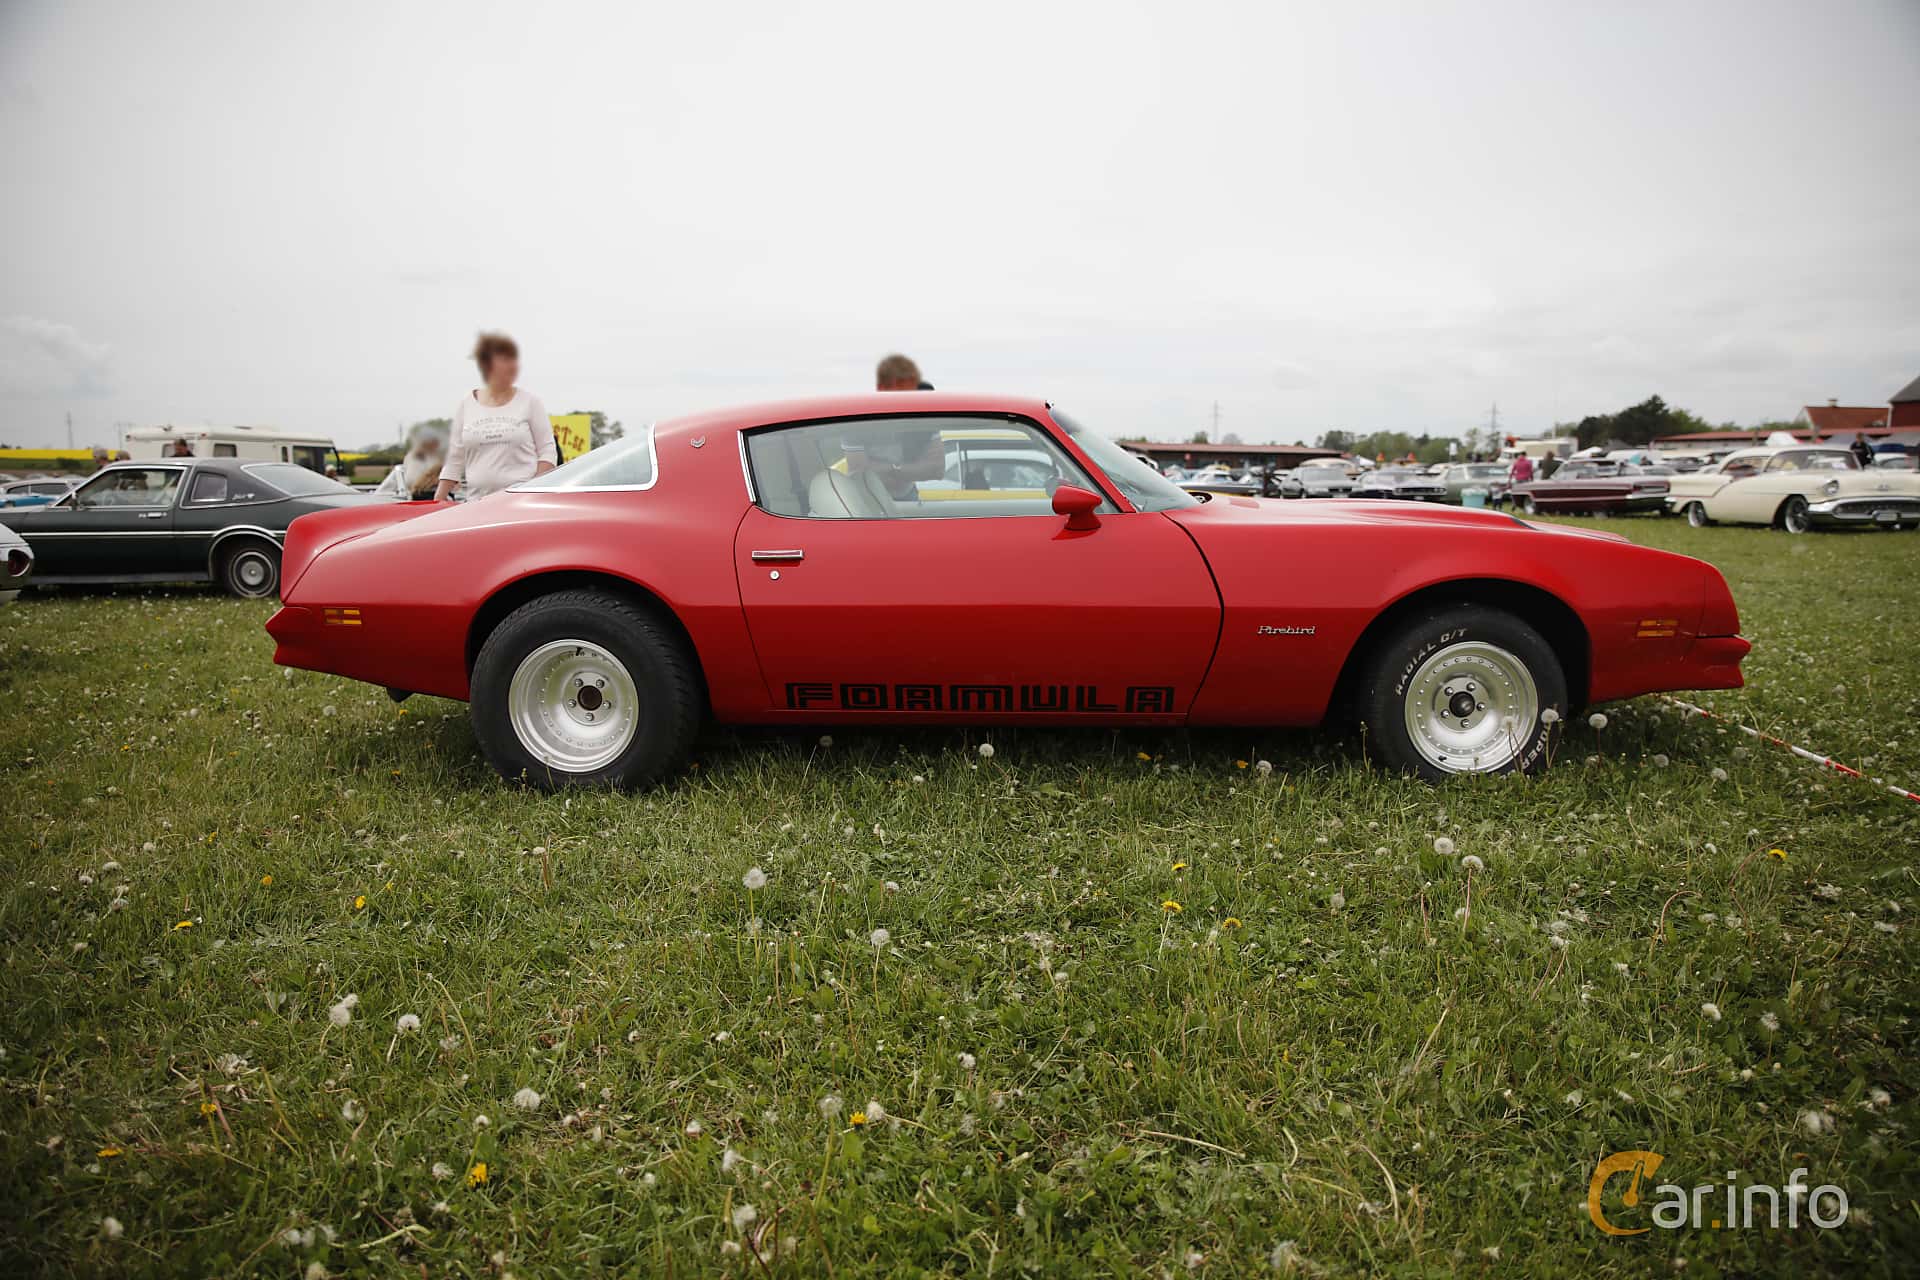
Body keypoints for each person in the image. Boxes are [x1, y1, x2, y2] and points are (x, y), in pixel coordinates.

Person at [435, 332, 555, 502]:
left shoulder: (530, 402)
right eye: (505, 360)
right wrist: (438, 499)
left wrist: (532, 491)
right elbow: (455, 457)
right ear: (486, 364)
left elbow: (548, 452)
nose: (513, 366)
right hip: (476, 503)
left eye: (514, 359)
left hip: (520, 502)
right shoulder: (466, 404)